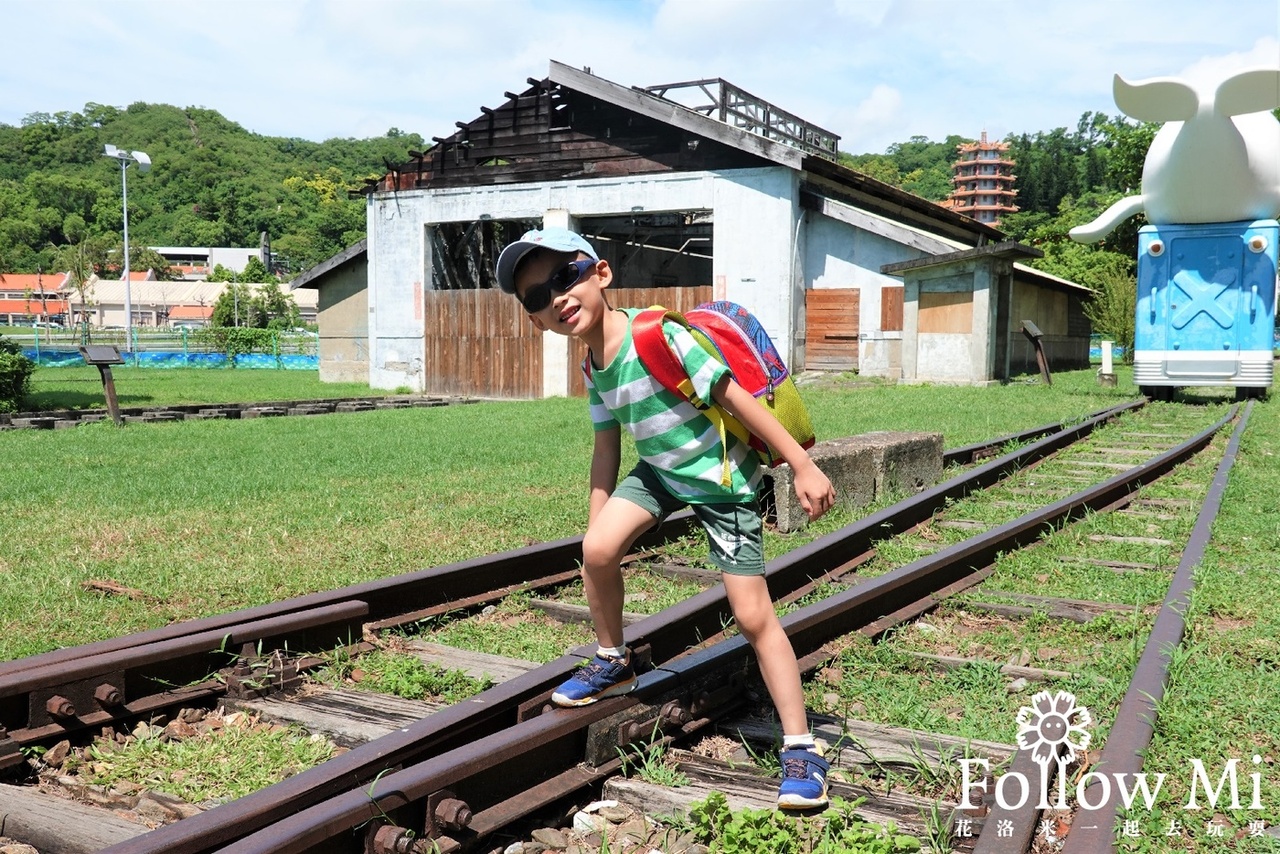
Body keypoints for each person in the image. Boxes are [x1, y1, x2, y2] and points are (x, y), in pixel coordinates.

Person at [496, 227, 837, 810]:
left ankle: (803, 746)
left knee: (753, 616)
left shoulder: (656, 335)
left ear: (600, 273)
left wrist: (802, 465)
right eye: (536, 297)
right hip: (660, 470)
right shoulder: (592, 366)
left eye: (565, 276)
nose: (555, 297)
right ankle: (613, 659)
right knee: (598, 553)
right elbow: (607, 447)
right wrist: (596, 522)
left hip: (722, 481)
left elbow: (737, 401)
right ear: (535, 321)